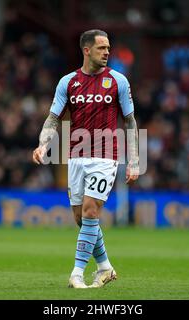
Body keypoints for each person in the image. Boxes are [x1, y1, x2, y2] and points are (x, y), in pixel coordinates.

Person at [33, 30, 139, 288]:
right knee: (81, 218)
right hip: (76, 157)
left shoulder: (118, 82)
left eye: (108, 48)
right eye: (102, 48)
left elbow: (130, 121)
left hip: (106, 156)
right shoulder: (68, 82)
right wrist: (43, 144)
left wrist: (135, 159)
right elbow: (53, 118)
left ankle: (77, 274)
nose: (107, 52)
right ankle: (105, 268)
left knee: (91, 211)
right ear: (87, 50)